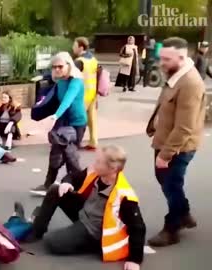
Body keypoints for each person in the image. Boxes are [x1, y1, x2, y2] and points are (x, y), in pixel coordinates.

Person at [25, 145, 146, 270]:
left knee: (51, 241)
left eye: (99, 162)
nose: (94, 164)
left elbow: (138, 227)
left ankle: (92, 245)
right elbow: (72, 176)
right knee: (56, 190)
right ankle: (37, 230)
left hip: (94, 231)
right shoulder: (95, 172)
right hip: (84, 213)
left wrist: (135, 260)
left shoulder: (124, 195)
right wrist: (67, 183)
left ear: (113, 168)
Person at [146, 37, 206, 247]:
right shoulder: (175, 74)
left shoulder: (190, 83)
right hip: (165, 140)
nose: (162, 63)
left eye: (167, 59)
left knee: (171, 184)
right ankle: (184, 212)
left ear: (182, 57)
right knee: (166, 180)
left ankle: (172, 229)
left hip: (178, 146)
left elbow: (185, 127)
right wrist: (153, 124)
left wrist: (165, 155)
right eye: (161, 58)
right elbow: (165, 103)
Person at [30, 52, 87, 196]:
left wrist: (56, 115)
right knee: (55, 153)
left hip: (76, 123)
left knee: (70, 156)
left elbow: (68, 100)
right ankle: (48, 185)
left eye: (60, 66)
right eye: (54, 67)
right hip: (63, 122)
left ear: (69, 65)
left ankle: (77, 185)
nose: (57, 70)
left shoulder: (76, 81)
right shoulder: (60, 80)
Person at [73, 37, 99, 150]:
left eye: (74, 45)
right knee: (92, 119)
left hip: (82, 94)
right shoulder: (94, 59)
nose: (73, 48)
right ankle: (93, 142)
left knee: (79, 118)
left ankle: (76, 141)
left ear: (81, 47)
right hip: (92, 93)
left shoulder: (79, 61)